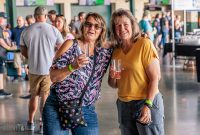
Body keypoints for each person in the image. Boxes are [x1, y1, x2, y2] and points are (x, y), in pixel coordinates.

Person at [42, 12, 112, 135]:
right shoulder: (70, 44)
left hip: (86, 109)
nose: (92, 28)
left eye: (97, 26)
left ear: (102, 31)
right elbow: (53, 76)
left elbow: (127, 43)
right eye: (88, 24)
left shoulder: (105, 52)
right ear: (83, 26)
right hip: (58, 106)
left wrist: (142, 37)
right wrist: (72, 67)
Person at [108, 9, 164, 135]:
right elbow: (114, 84)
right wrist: (112, 77)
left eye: (125, 24)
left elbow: (155, 78)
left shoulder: (144, 44)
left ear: (132, 25)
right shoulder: (116, 51)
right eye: (118, 25)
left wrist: (147, 105)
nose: (122, 28)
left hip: (145, 101)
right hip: (123, 105)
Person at [20, 6, 63, 133]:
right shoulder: (53, 30)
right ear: (45, 16)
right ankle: (42, 124)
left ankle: (30, 122)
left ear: (34, 16)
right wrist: (53, 58)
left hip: (33, 70)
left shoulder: (26, 31)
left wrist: (32, 57)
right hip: (48, 70)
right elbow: (61, 48)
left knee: (34, 96)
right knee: (45, 97)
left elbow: (23, 50)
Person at [0, 12, 17, 98]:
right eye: (3, 18)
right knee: (1, 72)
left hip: (2, 54)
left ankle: (1, 90)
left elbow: (5, 39)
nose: (4, 20)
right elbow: (0, 41)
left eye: (5, 19)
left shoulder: (2, 29)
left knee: (1, 72)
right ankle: (1, 91)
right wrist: (9, 48)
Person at [11, 16, 26, 81]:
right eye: (17, 20)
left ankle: (27, 76)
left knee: (27, 63)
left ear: (23, 21)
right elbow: (11, 39)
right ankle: (19, 75)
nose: (18, 21)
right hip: (16, 49)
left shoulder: (27, 29)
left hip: (25, 49)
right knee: (17, 63)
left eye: (20, 20)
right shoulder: (13, 30)